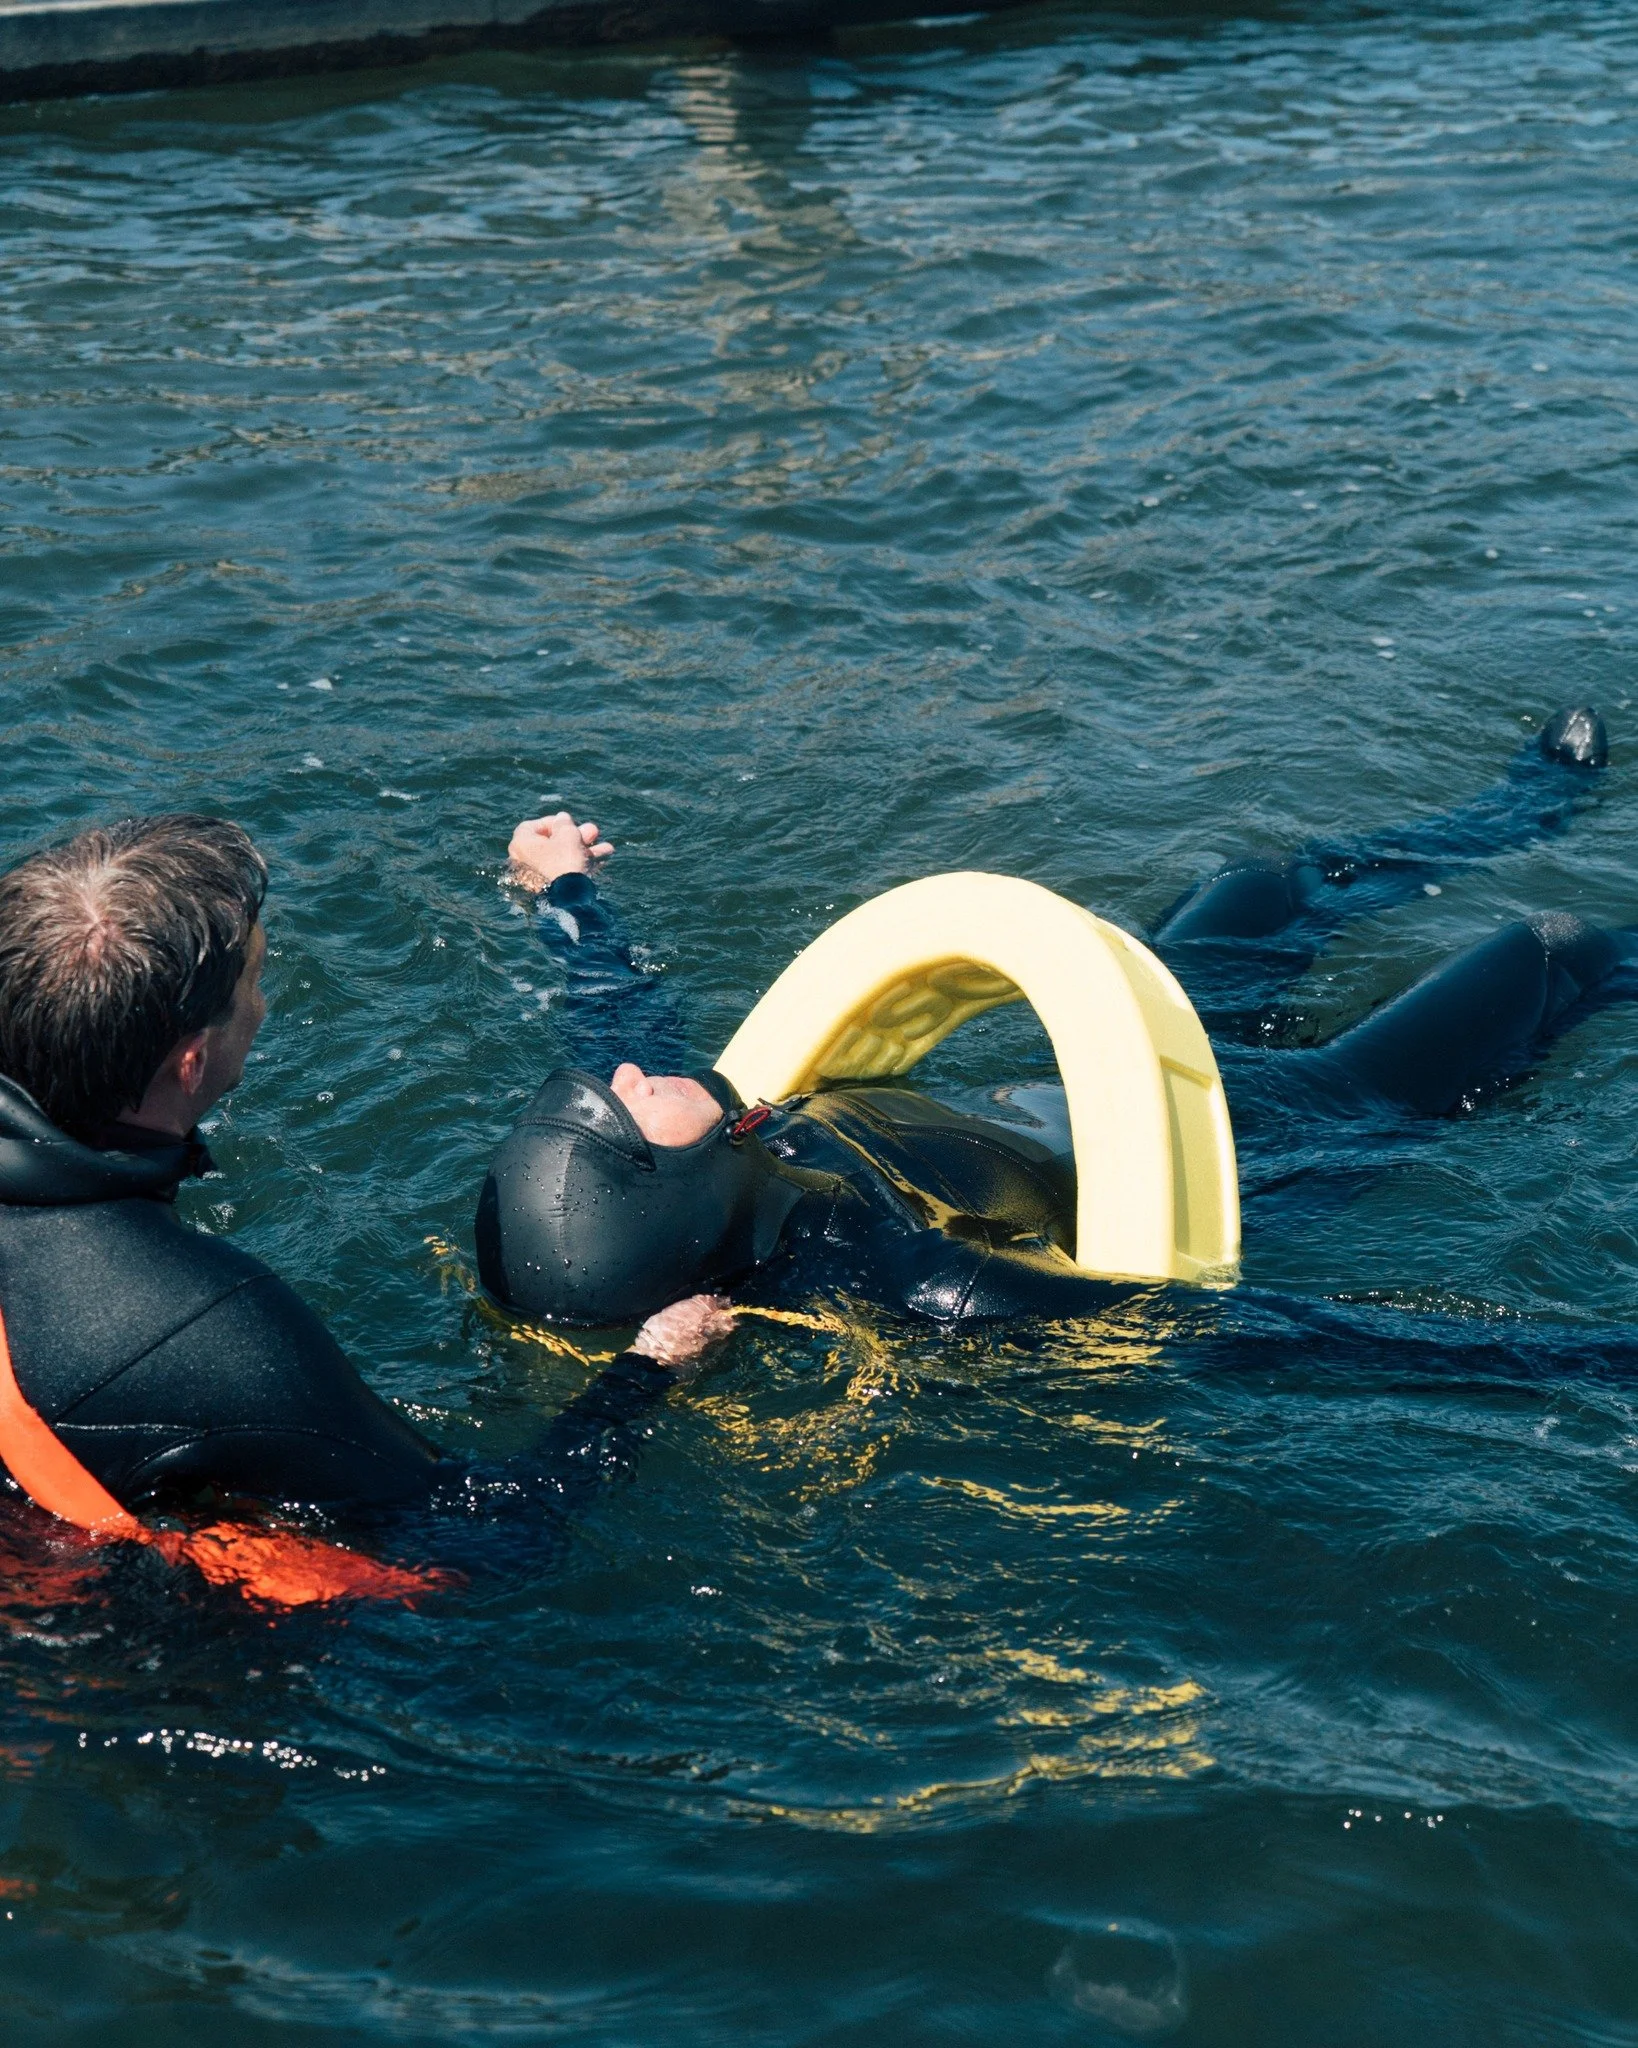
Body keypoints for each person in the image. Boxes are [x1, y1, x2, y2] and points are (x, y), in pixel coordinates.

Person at [477, 704, 1633, 1329]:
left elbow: (617, 1011)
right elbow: (1270, 1334)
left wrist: (566, 884)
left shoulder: (731, 1135)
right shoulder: (903, 1275)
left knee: (1261, 881)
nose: (623, 1080)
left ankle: (1521, 806)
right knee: (1544, 953)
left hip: (1131, 1058)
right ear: (669, 1202)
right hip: (1287, 1134)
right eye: (619, 1118)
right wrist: (1596, 1366)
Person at [0, 814, 724, 1523]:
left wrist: (565, 893)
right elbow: (486, 1536)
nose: (263, 1002)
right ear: (191, 1063)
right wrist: (648, 1370)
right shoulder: (212, 1331)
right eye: (256, 979)